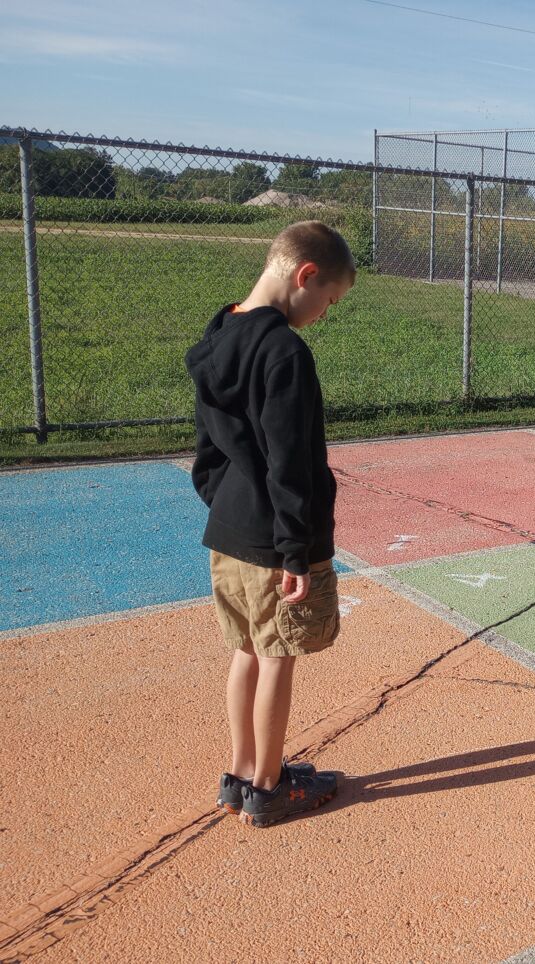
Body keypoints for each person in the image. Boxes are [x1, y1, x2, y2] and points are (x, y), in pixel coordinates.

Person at [186, 221, 355, 828]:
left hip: (229, 526)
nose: (325, 314)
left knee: (245, 651)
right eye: (329, 300)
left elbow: (207, 445)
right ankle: (269, 786)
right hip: (271, 538)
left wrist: (222, 497)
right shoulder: (283, 351)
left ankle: (238, 776)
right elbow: (290, 461)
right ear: (305, 275)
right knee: (277, 653)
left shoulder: (220, 329)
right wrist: (293, 550)